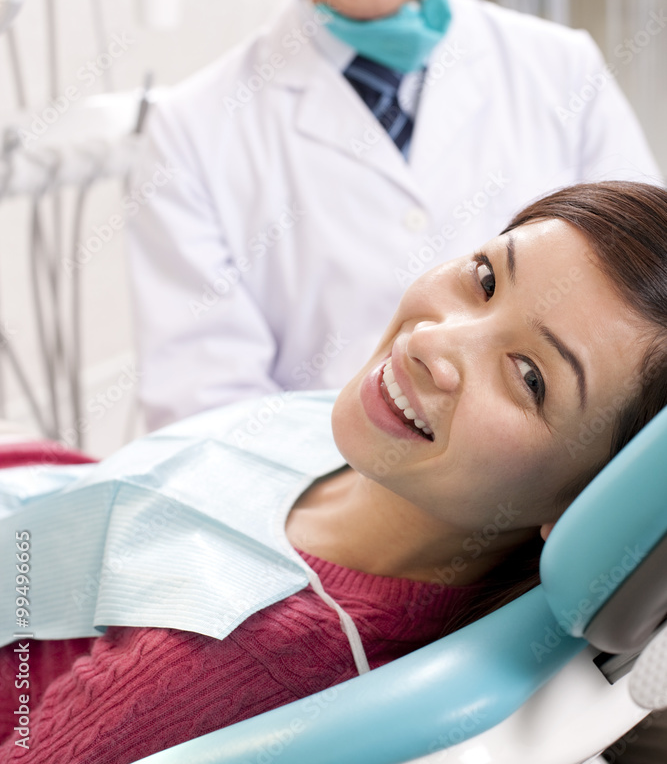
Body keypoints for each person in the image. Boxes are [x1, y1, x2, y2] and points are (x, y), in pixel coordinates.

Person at [2, 181, 667, 764]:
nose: (434, 341)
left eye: (528, 378)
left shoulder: (233, 658)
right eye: (486, 280)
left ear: (586, 502)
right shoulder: (371, 445)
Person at [126, 0, 661, 433]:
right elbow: (206, 417)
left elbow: (646, 315)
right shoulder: (190, 133)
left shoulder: (560, 69)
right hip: (304, 517)